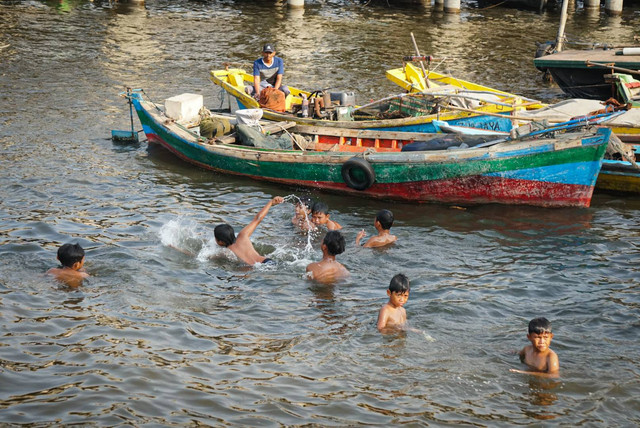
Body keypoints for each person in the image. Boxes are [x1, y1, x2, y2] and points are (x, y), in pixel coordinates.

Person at [214, 196, 284, 265]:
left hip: (256, 268)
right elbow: (258, 218)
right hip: (267, 261)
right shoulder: (243, 236)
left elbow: (206, 258)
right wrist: (271, 203)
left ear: (221, 242)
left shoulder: (225, 253)